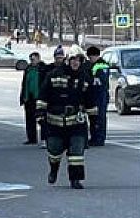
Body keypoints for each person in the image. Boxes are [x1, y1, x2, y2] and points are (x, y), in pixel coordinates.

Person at [39, 51, 98, 189]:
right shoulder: (54, 75)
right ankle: (54, 170)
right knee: (54, 150)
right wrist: (40, 114)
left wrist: (94, 121)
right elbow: (43, 95)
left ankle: (75, 179)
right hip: (55, 121)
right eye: (72, 59)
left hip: (76, 122)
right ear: (67, 61)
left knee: (76, 152)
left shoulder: (85, 78)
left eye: (78, 60)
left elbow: (90, 100)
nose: (75, 62)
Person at [19, 52, 46, 145]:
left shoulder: (43, 69)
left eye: (34, 59)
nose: (32, 61)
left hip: (39, 98)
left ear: (38, 59)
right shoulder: (28, 69)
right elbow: (24, 83)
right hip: (29, 97)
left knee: (41, 119)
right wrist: (22, 97)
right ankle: (31, 138)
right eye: (31, 59)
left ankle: (44, 138)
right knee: (29, 119)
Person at [85, 46, 110, 146]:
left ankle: (100, 138)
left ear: (95, 56)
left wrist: (89, 80)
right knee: (93, 117)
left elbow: (100, 81)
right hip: (93, 94)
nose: (90, 60)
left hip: (101, 94)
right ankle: (94, 137)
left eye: (90, 57)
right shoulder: (91, 65)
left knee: (100, 117)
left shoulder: (102, 65)